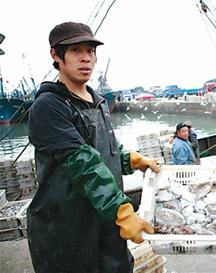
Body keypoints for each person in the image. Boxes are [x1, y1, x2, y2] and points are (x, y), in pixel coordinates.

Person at [27, 22, 160, 273]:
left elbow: (102, 149)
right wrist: (122, 210)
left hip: (105, 222)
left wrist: (128, 159)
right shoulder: (49, 106)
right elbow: (83, 163)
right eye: (76, 50)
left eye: (90, 50)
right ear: (56, 55)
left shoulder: (96, 99)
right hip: (67, 227)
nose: (86, 58)